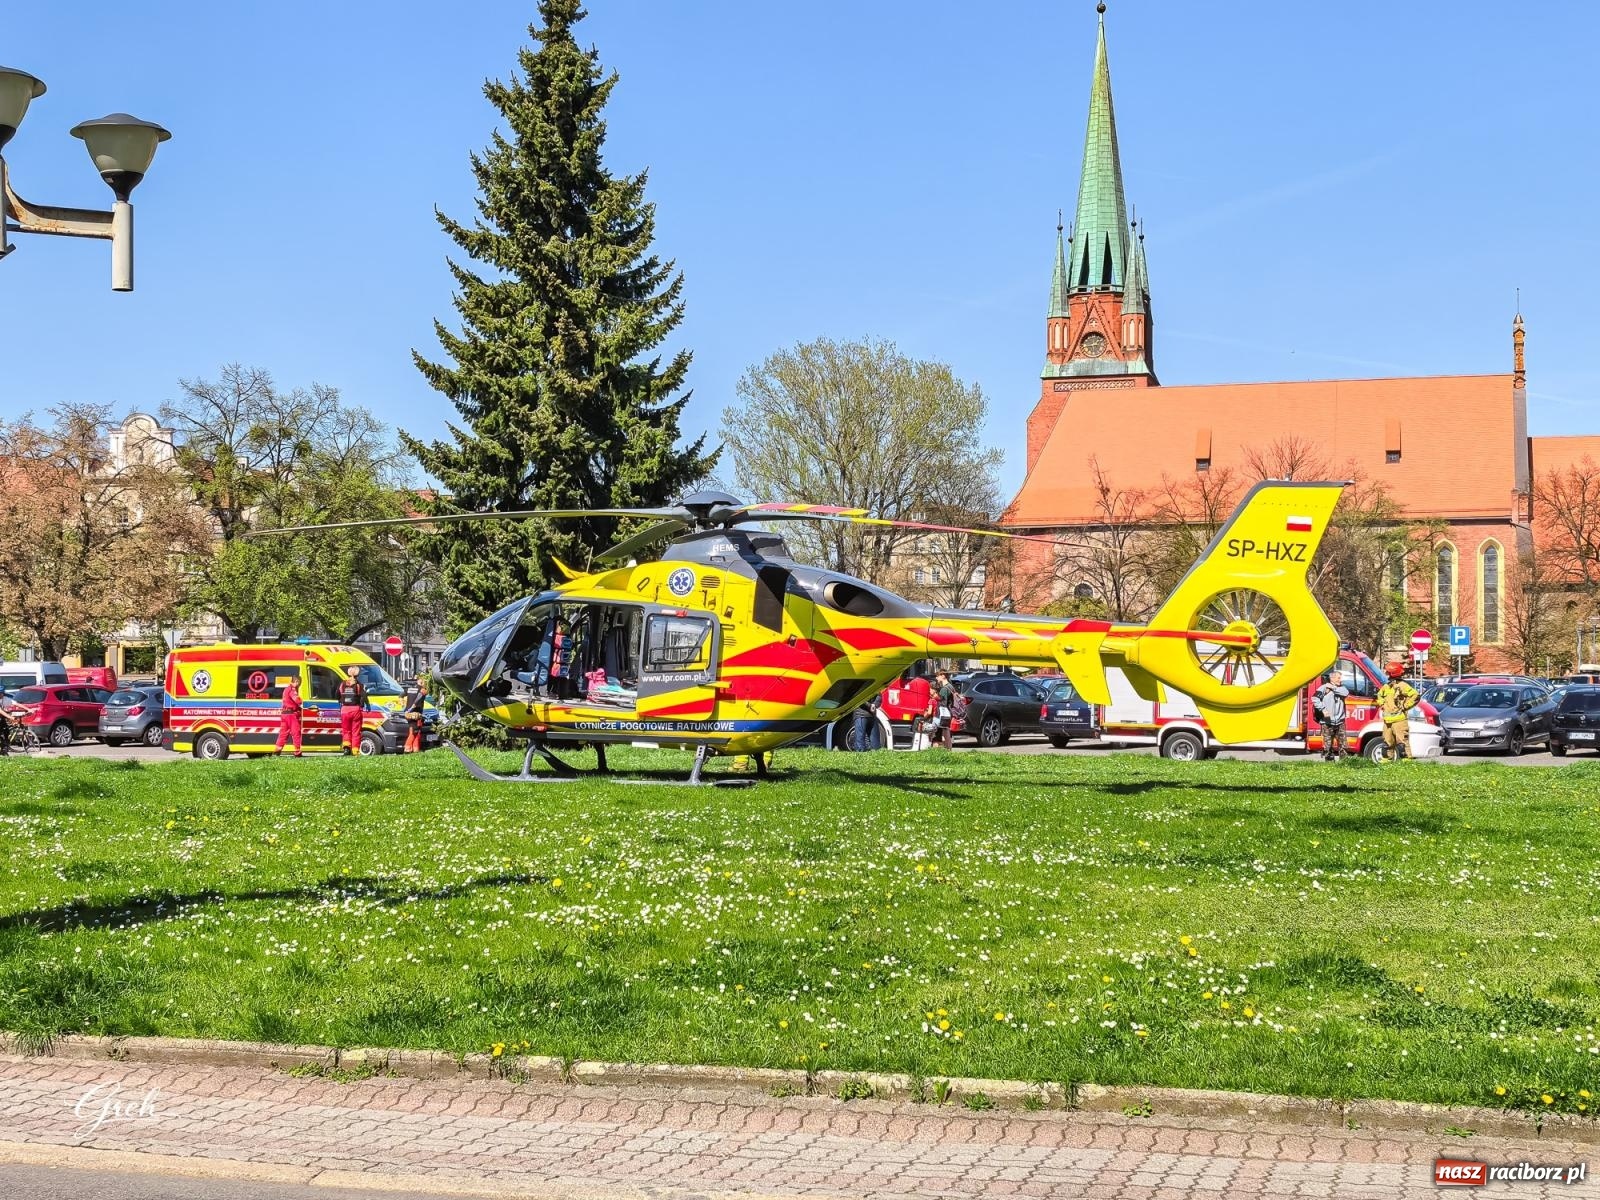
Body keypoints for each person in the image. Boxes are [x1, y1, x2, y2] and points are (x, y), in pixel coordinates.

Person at [1375, 662, 1421, 762]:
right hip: (1388, 721)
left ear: (1392, 673)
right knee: (1387, 742)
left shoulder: (1402, 685)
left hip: (1399, 720)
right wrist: (1382, 704)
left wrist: (1405, 706)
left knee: (1402, 743)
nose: (1386, 674)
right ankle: (1387, 760)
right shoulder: (1387, 686)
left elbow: (1415, 696)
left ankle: (1406, 762)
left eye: (1388, 672)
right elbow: (1379, 696)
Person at [1311, 670, 1349, 760]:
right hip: (1327, 721)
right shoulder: (1323, 688)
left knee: (1343, 745)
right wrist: (1323, 709)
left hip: (1340, 722)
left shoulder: (1342, 688)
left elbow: (1346, 693)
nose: (1340, 680)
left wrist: (1333, 688)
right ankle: (1329, 763)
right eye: (1338, 678)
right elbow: (1314, 698)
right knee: (1328, 746)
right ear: (1332, 678)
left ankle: (1345, 763)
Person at [336, 664, 371, 755]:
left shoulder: (343, 684)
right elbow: (363, 696)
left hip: (344, 710)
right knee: (356, 731)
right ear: (358, 675)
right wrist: (366, 705)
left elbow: (337, 694)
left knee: (346, 730)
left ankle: (346, 748)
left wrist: (340, 700)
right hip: (355, 710)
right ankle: (355, 751)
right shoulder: (359, 685)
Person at [274, 675, 304, 757]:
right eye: (299, 683)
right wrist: (303, 702)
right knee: (296, 732)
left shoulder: (286, 689)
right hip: (291, 714)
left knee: (283, 733)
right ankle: (297, 752)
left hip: (285, 714)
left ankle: (277, 750)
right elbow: (296, 699)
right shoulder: (292, 689)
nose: (299, 685)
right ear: (297, 681)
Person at [930, 670, 957, 750]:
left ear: (943, 676)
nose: (936, 677)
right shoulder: (950, 686)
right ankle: (945, 750)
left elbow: (943, 703)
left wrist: (935, 697)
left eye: (938, 675)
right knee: (944, 732)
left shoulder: (944, 689)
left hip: (943, 714)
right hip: (948, 713)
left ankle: (943, 751)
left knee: (940, 732)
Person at [401, 676, 427, 753]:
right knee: (415, 732)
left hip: (408, 713)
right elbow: (417, 702)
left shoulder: (409, 689)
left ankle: (415, 749)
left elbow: (400, 696)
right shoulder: (422, 690)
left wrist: (403, 706)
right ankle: (407, 747)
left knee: (414, 731)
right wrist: (412, 708)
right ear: (421, 681)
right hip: (416, 713)